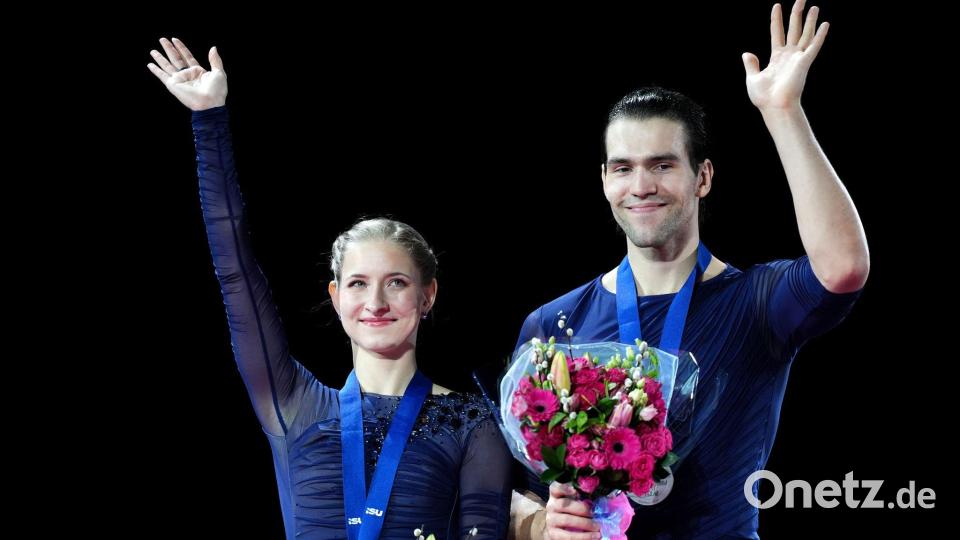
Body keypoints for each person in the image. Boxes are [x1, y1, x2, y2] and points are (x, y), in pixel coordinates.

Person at [503, 1, 869, 538]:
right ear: (604, 181)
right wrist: (539, 524)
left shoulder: (756, 303)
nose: (641, 185)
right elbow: (513, 491)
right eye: (623, 168)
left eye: (663, 165)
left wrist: (782, 112)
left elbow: (842, 268)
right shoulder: (552, 326)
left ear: (703, 177)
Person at [147, 37, 512, 540]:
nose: (376, 303)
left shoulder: (472, 421)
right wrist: (209, 119)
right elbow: (236, 273)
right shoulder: (293, 402)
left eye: (397, 283)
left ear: (427, 297)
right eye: (358, 284)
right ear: (336, 296)